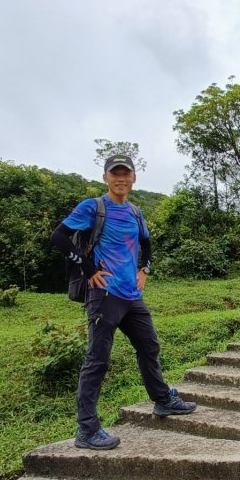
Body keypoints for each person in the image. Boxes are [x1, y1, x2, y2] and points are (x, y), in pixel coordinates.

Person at [50, 154, 196, 450]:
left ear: (133, 178)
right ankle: (87, 430)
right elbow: (59, 237)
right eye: (114, 173)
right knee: (98, 360)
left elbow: (147, 243)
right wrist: (88, 268)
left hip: (132, 295)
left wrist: (146, 269)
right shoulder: (93, 207)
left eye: (125, 173)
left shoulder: (135, 212)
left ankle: (162, 400)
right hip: (104, 295)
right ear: (105, 177)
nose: (120, 178)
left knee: (149, 345)